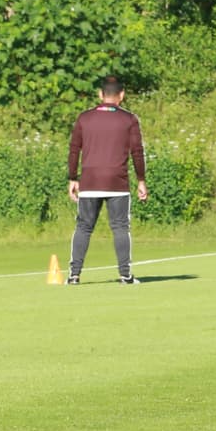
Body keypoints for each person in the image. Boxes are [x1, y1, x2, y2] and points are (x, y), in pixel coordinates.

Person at [66, 76, 149, 284]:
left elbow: (74, 149)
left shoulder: (84, 118)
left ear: (100, 94)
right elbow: (137, 152)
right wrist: (141, 180)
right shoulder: (129, 119)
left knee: (84, 226)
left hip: (90, 180)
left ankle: (74, 275)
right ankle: (125, 275)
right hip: (117, 181)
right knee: (120, 227)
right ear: (122, 95)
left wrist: (72, 178)